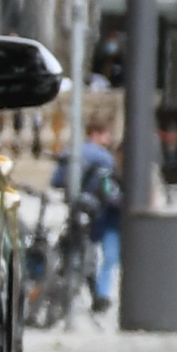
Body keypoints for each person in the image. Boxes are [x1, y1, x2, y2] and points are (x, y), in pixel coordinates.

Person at [51, 118, 124, 313]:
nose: (109, 139)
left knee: (69, 248)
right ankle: (98, 296)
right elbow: (108, 189)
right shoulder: (104, 158)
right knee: (92, 254)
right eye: (107, 134)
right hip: (94, 210)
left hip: (73, 206)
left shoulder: (70, 152)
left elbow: (56, 180)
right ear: (97, 134)